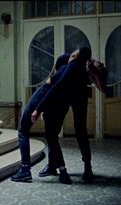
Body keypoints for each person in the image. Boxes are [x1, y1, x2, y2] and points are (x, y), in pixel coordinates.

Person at [32, 47, 94, 182]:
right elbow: (56, 85)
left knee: (80, 130)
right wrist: (45, 108)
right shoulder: (64, 61)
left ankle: (87, 167)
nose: (71, 57)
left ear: (78, 58)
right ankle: (52, 165)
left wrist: (39, 108)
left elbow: (56, 86)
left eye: (74, 56)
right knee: (53, 130)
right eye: (72, 54)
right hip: (64, 96)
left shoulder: (76, 66)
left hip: (79, 96)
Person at [10, 52, 72, 183]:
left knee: (23, 130)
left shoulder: (64, 69)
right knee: (52, 136)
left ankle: (25, 169)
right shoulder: (75, 76)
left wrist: (38, 109)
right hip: (61, 102)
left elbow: (50, 86)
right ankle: (57, 169)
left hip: (44, 93)